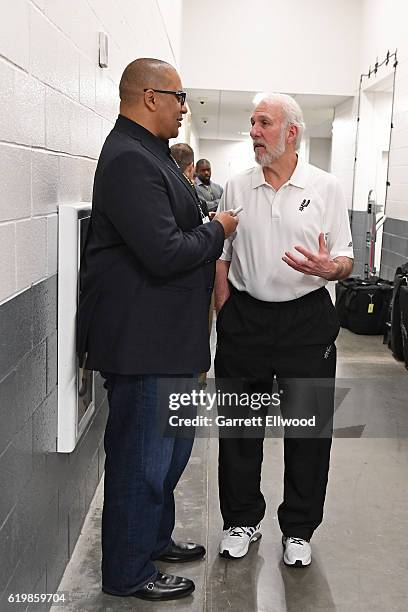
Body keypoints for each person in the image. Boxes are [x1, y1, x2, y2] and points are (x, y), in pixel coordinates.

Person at [77, 57, 238, 601]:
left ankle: (154, 539)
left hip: (168, 342)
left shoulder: (153, 156)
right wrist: (216, 230)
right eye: (178, 96)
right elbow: (166, 251)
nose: (184, 106)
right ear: (150, 97)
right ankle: (128, 571)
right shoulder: (128, 158)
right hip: (144, 346)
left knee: (168, 456)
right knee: (141, 462)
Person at [214, 93, 353, 567]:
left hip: (306, 323)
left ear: (291, 132)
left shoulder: (327, 187)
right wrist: (225, 308)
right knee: (238, 428)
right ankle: (241, 521)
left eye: (264, 123)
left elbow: (346, 258)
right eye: (252, 123)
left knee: (309, 432)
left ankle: (298, 529)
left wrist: (329, 267)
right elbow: (223, 255)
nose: (254, 131)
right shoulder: (237, 185)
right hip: (246, 320)